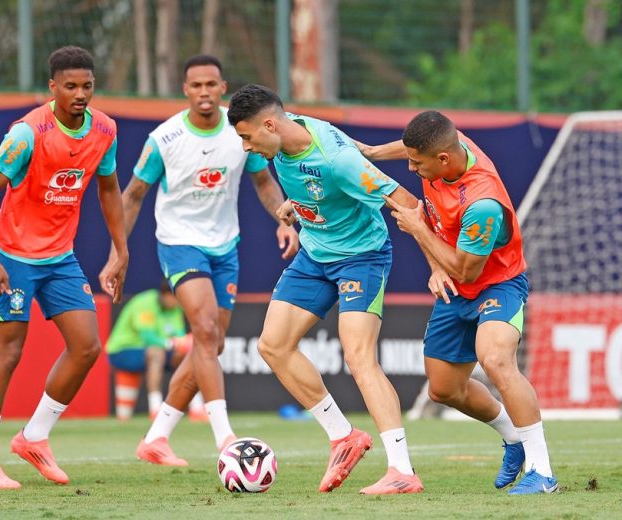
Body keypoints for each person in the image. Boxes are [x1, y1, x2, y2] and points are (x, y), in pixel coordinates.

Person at [227, 84, 423, 495]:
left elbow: (405, 200)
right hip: (315, 256)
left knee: (358, 357)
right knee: (273, 346)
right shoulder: (284, 138)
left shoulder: (337, 160)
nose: (244, 147)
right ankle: (343, 436)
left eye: (247, 137)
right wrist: (295, 205)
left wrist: (440, 264)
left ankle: (402, 470)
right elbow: (310, 184)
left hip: (362, 257)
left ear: (268, 124)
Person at [359, 110, 557, 495]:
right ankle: (513, 439)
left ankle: (543, 471)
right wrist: (372, 152)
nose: (411, 168)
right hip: (457, 290)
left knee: (496, 359)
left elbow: (466, 270)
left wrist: (419, 230)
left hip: (497, 284)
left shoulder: (482, 203)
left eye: (417, 163)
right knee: (444, 390)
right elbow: (415, 146)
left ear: (444, 160)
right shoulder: (444, 148)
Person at [114, 55, 299, 467]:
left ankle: (156, 437)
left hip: (224, 247)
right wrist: (118, 253)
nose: (203, 92)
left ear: (222, 88)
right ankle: (224, 436)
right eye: (195, 85)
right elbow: (133, 196)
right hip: (179, 243)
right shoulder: (164, 139)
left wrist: (283, 218)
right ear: (185, 90)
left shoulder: (240, 136)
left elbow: (264, 182)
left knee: (208, 344)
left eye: (211, 85)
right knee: (204, 328)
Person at [0, 46, 129, 490]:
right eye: (70, 86)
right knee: (8, 352)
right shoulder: (27, 133)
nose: (80, 94)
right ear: (52, 87)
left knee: (88, 347)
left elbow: (109, 189)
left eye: (87, 86)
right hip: (13, 256)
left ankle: (34, 437)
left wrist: (121, 248)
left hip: (60, 257)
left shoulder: (105, 131)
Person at [106, 280, 206, 421]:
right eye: (176, 299)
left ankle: (197, 408)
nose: (178, 303)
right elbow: (147, 337)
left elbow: (178, 337)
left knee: (187, 355)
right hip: (123, 352)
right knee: (156, 352)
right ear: (166, 295)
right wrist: (172, 343)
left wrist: (184, 344)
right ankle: (156, 410)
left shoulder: (176, 308)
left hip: (159, 351)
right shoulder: (145, 303)